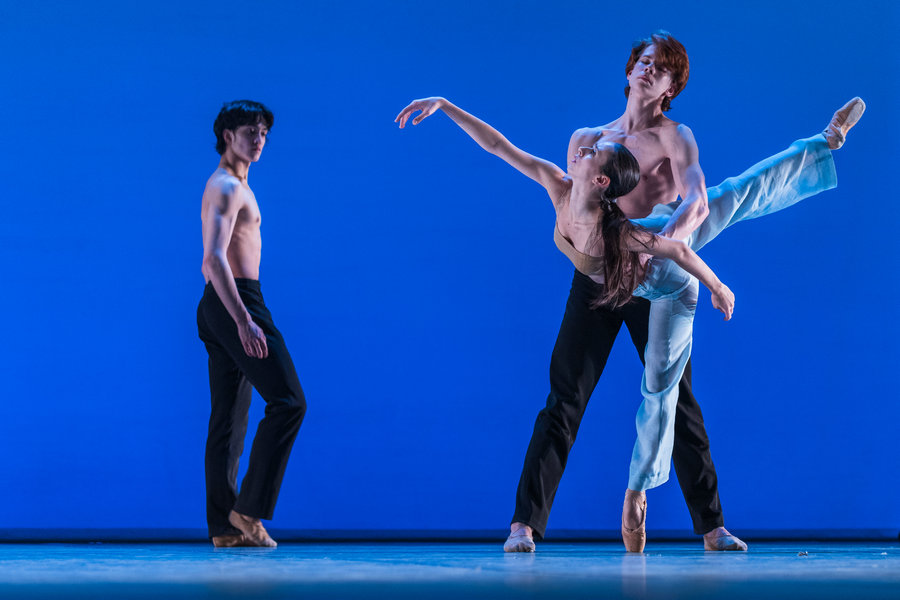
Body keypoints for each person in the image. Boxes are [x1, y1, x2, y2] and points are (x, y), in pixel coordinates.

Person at [395, 87, 861, 552]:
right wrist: (446, 106)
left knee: (731, 202)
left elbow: (676, 250)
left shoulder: (619, 230)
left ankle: (712, 526)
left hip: (653, 276)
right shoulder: (558, 186)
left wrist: (718, 286)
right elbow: (500, 146)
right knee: (564, 400)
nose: (583, 148)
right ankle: (524, 525)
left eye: (592, 153)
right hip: (595, 289)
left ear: (600, 180)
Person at [197, 100, 307, 548]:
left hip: (221, 302)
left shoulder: (236, 184)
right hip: (235, 299)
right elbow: (213, 259)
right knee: (289, 402)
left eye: (263, 132)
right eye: (250, 131)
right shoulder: (226, 186)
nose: (259, 139)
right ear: (228, 136)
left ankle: (224, 528)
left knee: (228, 419)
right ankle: (247, 511)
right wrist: (244, 319)